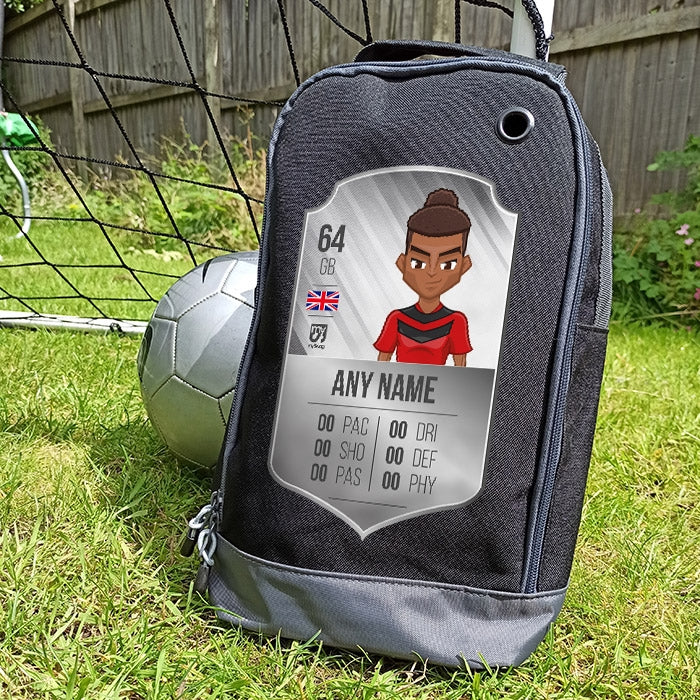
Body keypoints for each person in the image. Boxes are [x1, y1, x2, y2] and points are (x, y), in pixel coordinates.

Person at [374, 188, 473, 366]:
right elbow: (381, 365)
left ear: (464, 266)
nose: (432, 272)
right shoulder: (396, 319)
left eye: (447, 264)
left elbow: (461, 371)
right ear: (402, 263)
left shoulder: (456, 321)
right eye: (418, 263)